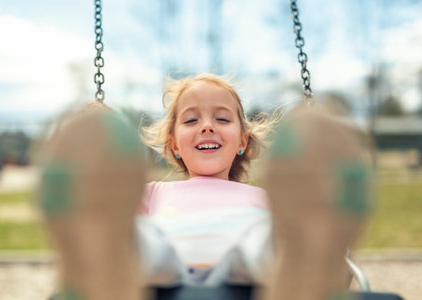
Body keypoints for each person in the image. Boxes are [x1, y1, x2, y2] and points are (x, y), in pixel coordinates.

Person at [41, 74, 371, 300]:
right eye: (191, 120)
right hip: (160, 279)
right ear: (173, 143)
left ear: (243, 140)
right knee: (139, 238)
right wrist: (100, 153)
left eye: (223, 119)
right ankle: (103, 270)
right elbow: (109, 204)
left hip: (251, 280)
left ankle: (306, 267)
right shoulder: (151, 193)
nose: (208, 127)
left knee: (266, 240)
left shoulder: (270, 198)